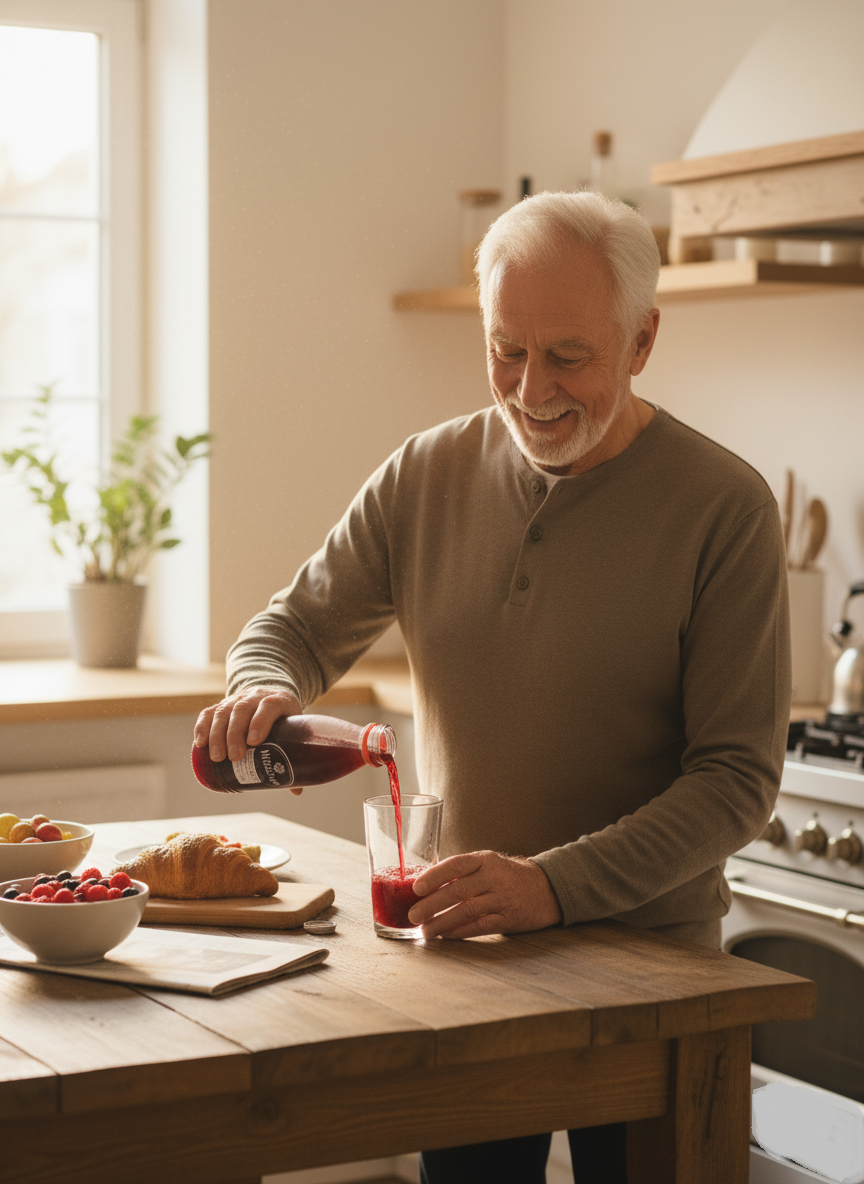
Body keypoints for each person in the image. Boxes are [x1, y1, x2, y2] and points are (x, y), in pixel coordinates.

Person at [195, 191, 791, 1183]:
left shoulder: (724, 509)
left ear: (642, 341)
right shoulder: (426, 471)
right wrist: (262, 683)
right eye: (506, 349)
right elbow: (291, 626)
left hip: (654, 979)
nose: (530, 388)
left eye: (568, 355)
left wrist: (552, 885)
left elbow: (734, 780)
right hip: (468, 959)